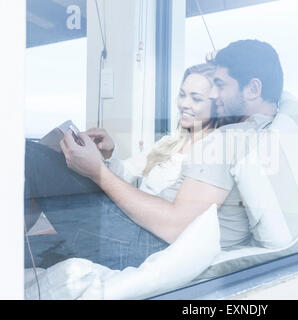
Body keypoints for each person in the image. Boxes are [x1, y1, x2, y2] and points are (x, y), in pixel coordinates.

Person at [25, 63, 226, 270]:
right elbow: (127, 174)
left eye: (196, 98)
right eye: (182, 95)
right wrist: (108, 154)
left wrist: (97, 170)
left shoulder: (212, 153)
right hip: (127, 219)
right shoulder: (170, 143)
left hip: (149, 240)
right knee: (20, 248)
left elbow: (178, 223)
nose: (185, 104)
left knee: (31, 155)